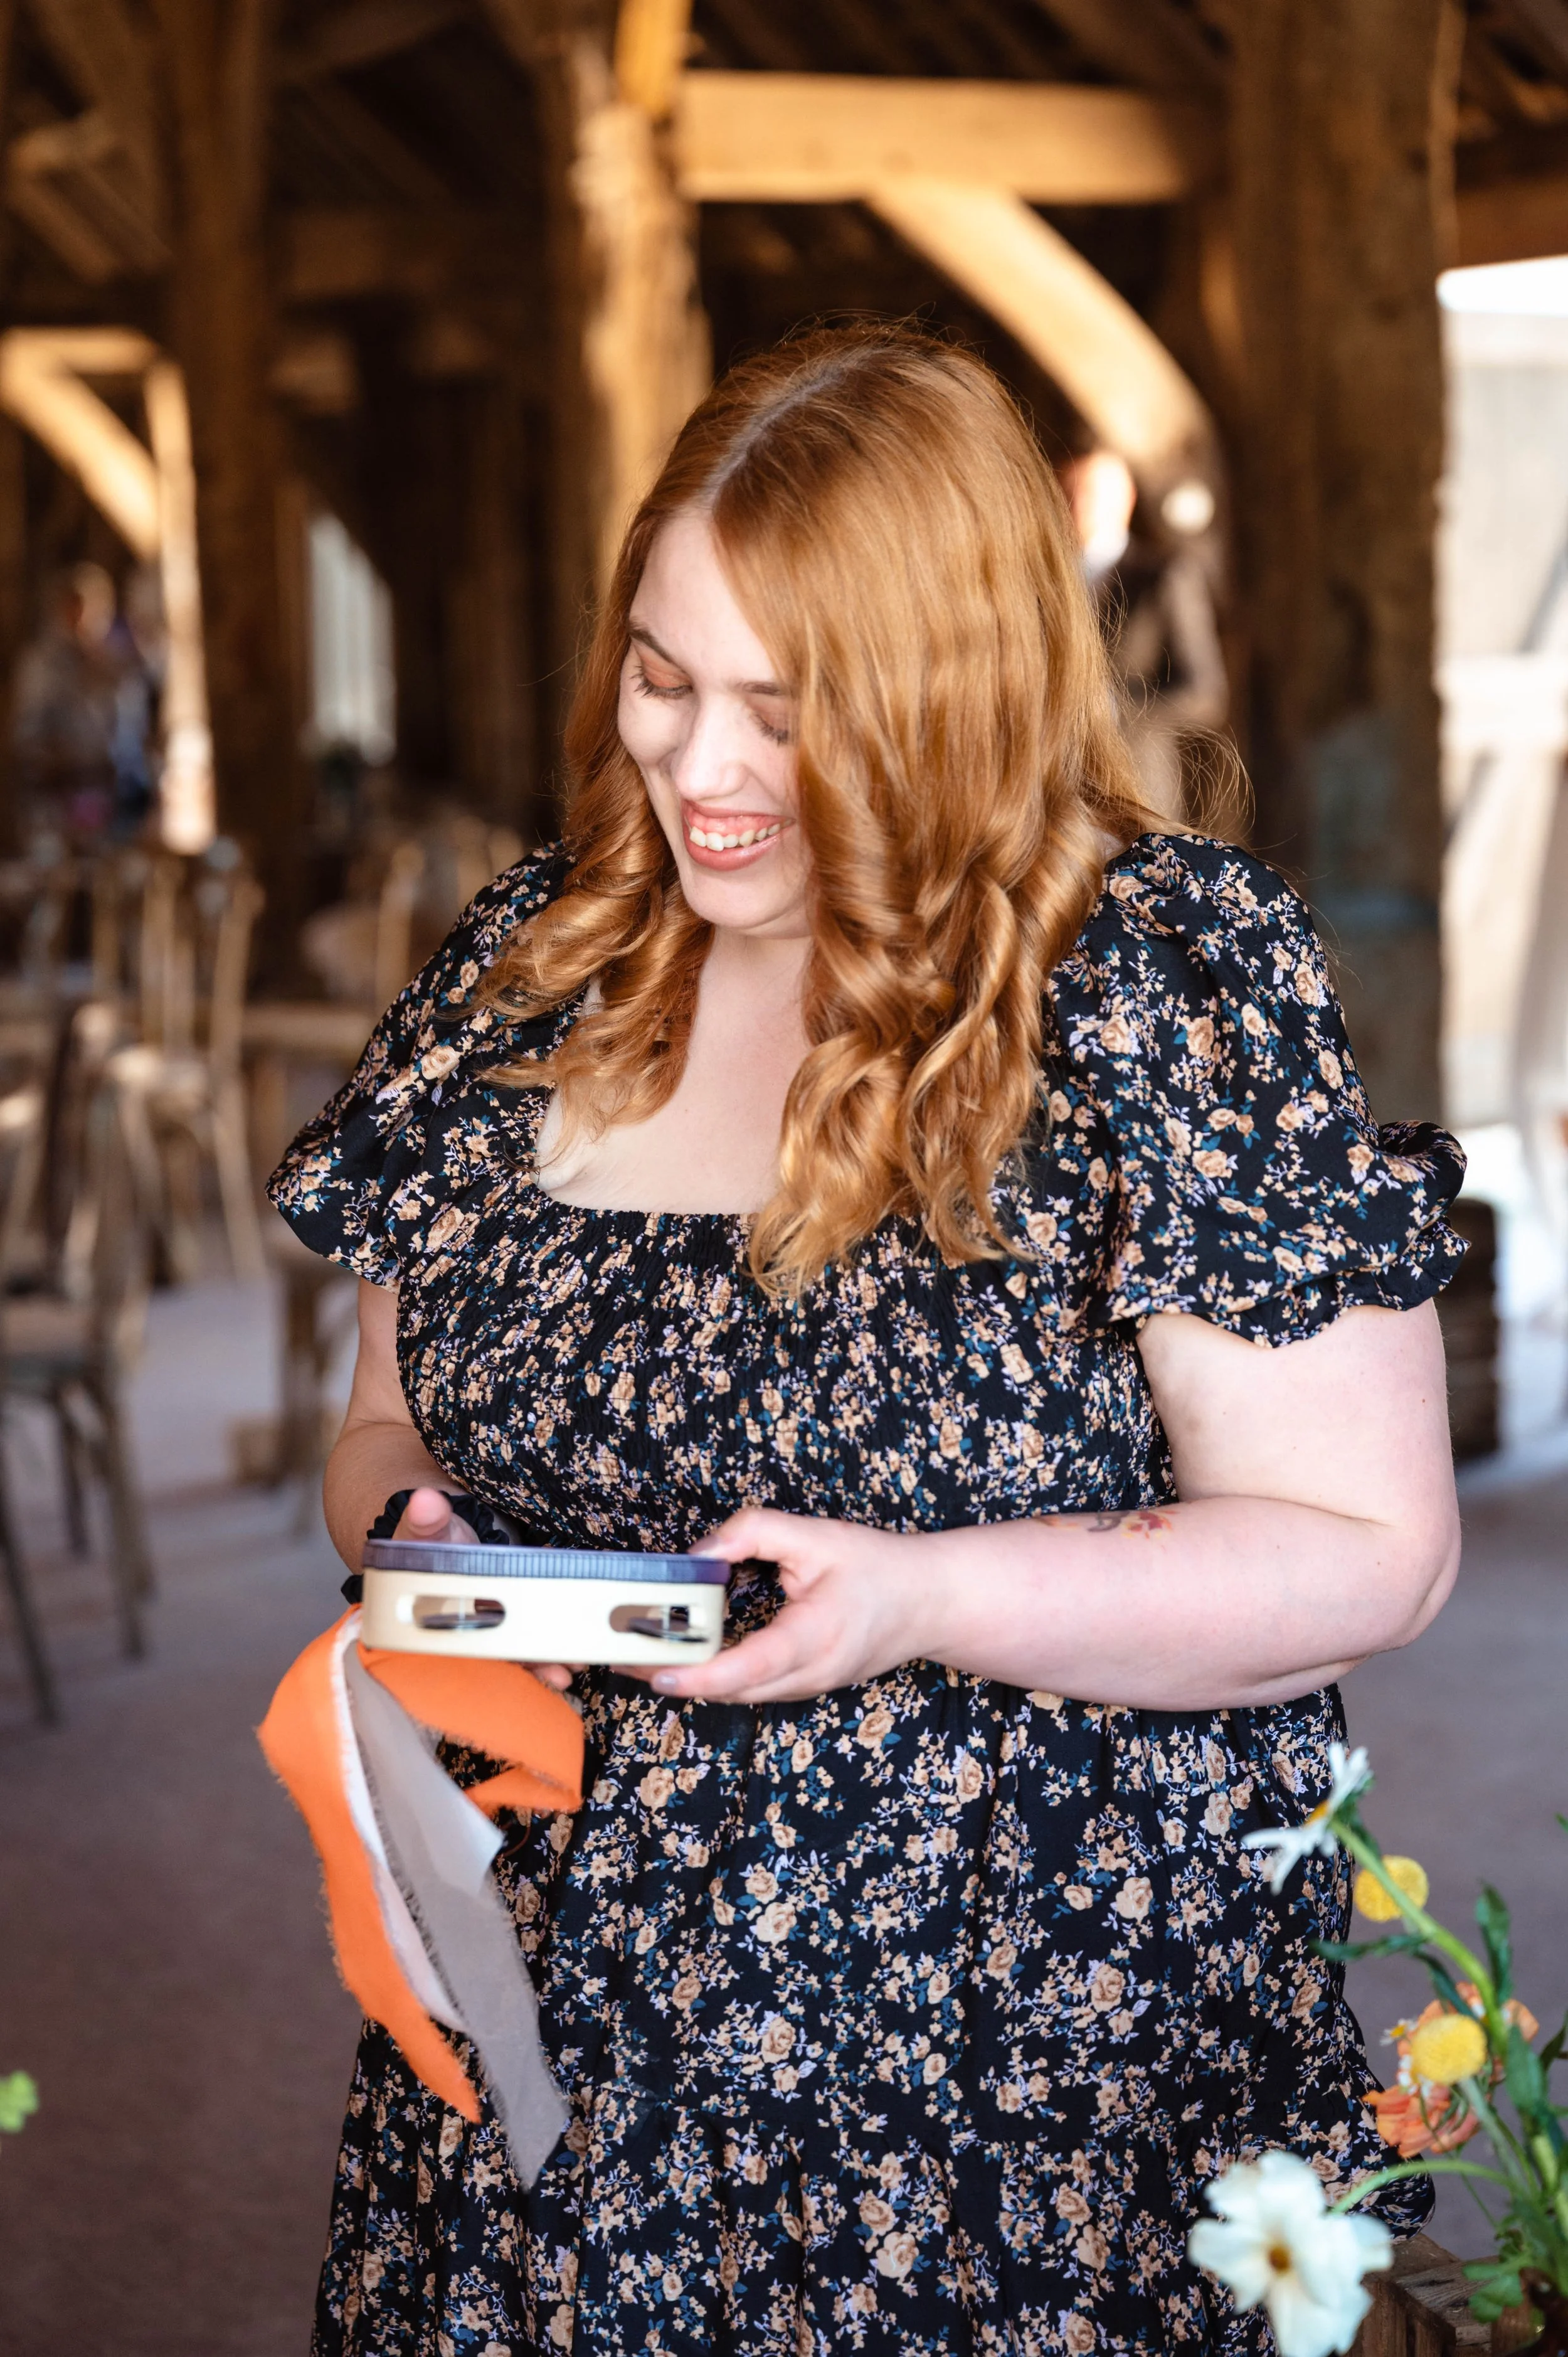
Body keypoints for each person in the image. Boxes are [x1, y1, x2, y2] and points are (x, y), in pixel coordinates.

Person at [270, 326, 1465, 2355]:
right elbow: (377, 1412)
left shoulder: (1157, 983)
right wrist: (416, 1532)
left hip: (1004, 2082)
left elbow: (1374, 1548)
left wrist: (919, 1592)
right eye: (662, 672)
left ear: (958, 689)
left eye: (786, 707)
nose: (699, 765)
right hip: (547, 2040)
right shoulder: (529, 964)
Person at [1062, 446, 1229, 824]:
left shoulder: (1164, 575)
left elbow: (1205, 692)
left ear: (1127, 499)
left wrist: (1113, 705)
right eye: (1070, 489)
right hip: (1057, 789)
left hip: (1139, 787)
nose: (1078, 503)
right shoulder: (1043, 581)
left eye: (1091, 492)